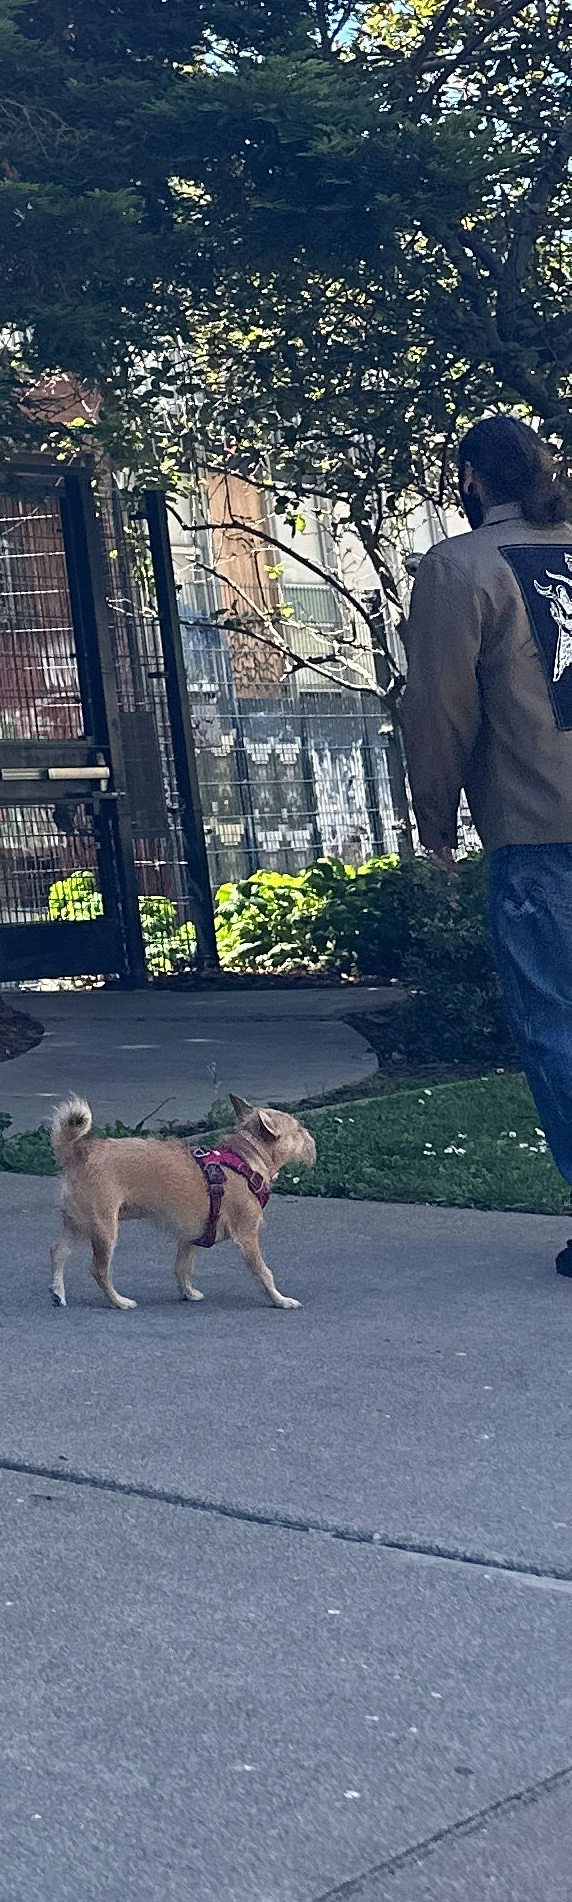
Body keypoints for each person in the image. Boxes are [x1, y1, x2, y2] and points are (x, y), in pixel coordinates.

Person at [400, 412, 572, 1279]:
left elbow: (438, 708)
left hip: (542, 833)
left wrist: (434, 819)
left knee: (559, 1025)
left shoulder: (460, 566)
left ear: (468, 475)